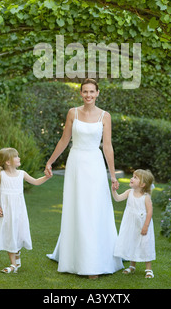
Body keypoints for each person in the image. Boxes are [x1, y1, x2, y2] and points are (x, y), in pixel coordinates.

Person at [45, 78, 123, 278]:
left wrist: (112, 175)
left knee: (94, 208)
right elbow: (65, 140)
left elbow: (107, 146)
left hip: (95, 165)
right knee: (77, 207)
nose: (88, 95)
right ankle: (73, 256)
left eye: (92, 92)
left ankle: (94, 261)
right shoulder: (73, 113)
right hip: (76, 164)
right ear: (81, 93)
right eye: (85, 92)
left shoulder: (105, 116)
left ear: (98, 93)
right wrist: (50, 161)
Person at [0, 147, 51, 273]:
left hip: (19, 210)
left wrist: (46, 177)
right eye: (16, 156)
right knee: (9, 233)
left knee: (18, 233)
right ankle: (13, 264)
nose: (19, 158)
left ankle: (17, 262)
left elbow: (35, 182)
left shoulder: (22, 174)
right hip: (7, 211)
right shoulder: (0, 175)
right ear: (8, 162)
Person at [112, 169, 156, 278]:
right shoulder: (129, 192)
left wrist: (146, 226)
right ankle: (132, 266)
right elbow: (117, 199)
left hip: (143, 224)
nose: (132, 178)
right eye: (132, 176)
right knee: (132, 242)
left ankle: (148, 268)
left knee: (145, 244)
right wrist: (114, 191)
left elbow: (150, 211)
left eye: (135, 177)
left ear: (142, 184)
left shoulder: (146, 197)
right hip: (131, 224)